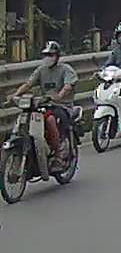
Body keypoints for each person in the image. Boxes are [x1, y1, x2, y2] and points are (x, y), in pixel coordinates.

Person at [8, 41, 78, 172]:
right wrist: (15, 95)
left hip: (62, 106)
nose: (48, 58)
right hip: (44, 105)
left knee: (51, 120)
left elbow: (68, 86)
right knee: (27, 119)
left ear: (57, 56)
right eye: (46, 55)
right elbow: (28, 84)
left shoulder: (66, 69)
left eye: (51, 55)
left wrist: (59, 95)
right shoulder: (41, 70)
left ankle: (58, 154)